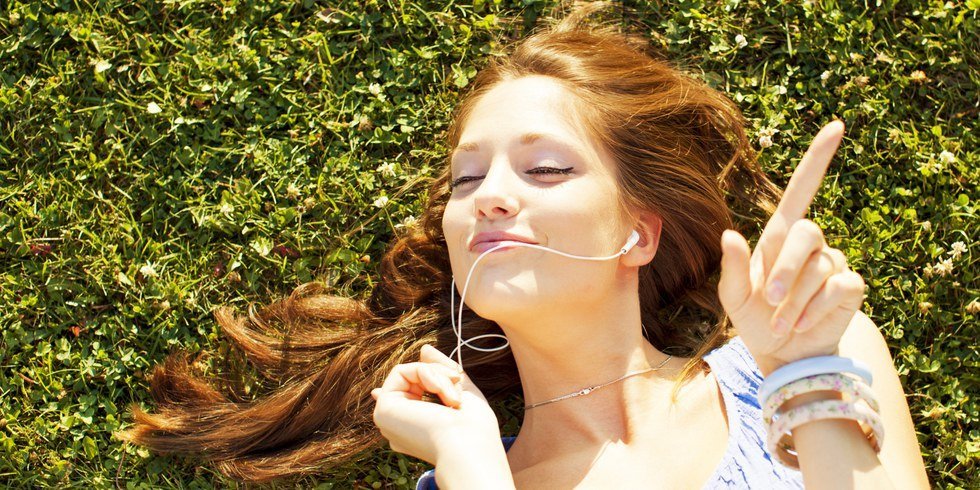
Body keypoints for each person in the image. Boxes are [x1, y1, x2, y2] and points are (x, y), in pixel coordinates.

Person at [121, 2, 930, 488]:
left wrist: (801, 374)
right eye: (466, 179)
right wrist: (471, 467)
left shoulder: (814, 359)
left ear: (638, 233)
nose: (490, 195)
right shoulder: (470, 472)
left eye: (545, 168)